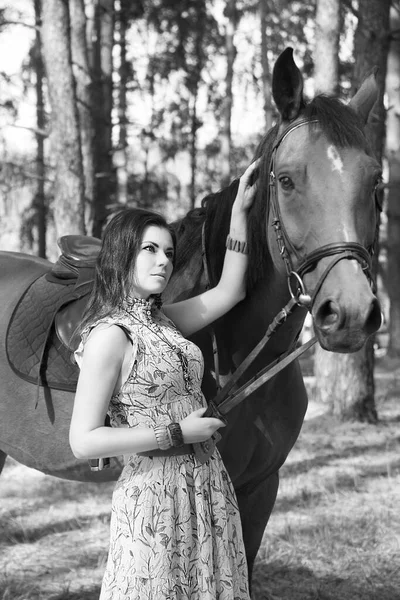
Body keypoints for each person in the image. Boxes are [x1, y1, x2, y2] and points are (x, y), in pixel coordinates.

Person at [69, 159, 259, 600]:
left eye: (169, 253)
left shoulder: (166, 320)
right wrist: (175, 431)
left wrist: (238, 215)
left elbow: (230, 291)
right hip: (154, 497)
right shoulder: (109, 336)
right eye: (149, 250)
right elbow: (83, 440)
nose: (163, 262)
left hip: (209, 486)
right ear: (122, 255)